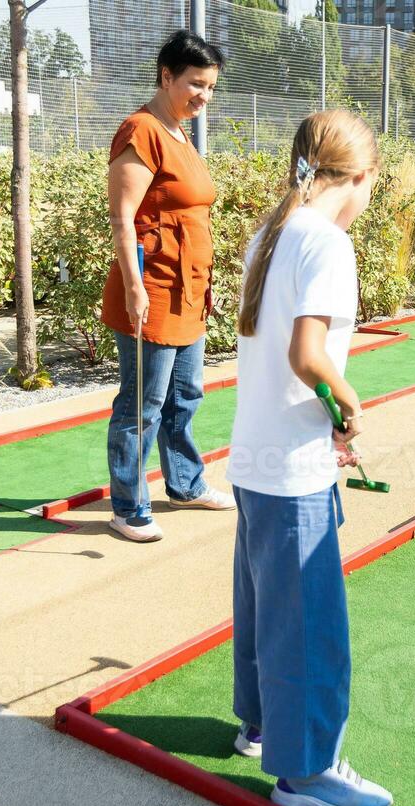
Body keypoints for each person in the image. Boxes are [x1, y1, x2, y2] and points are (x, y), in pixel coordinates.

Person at [224, 109, 392, 806]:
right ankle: (307, 772)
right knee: (312, 625)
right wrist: (350, 406)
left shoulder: (271, 231)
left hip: (254, 453)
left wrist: (328, 416)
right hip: (289, 467)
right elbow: (308, 355)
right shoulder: (328, 242)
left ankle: (261, 727)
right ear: (360, 177)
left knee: (264, 601)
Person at [101, 30, 235, 543]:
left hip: (189, 291)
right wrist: (134, 288)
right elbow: (122, 217)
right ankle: (128, 505)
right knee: (143, 403)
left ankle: (185, 484)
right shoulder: (142, 130)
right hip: (153, 290)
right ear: (166, 76)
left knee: (186, 396)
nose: (204, 96)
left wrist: (205, 281)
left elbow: (191, 214)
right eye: (195, 84)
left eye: (210, 87)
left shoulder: (180, 133)